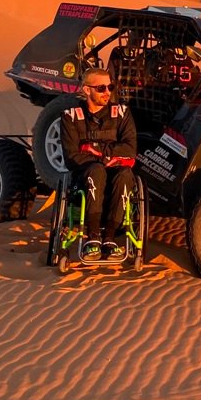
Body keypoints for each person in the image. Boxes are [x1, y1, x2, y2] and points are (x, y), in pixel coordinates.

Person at [61, 68, 137, 259]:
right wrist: (102, 161)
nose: (107, 92)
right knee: (96, 171)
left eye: (110, 87)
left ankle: (110, 238)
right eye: (101, 88)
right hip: (85, 176)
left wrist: (100, 153)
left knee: (126, 174)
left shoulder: (121, 113)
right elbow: (72, 156)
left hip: (115, 172)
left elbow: (130, 148)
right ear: (87, 90)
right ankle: (93, 237)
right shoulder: (70, 116)